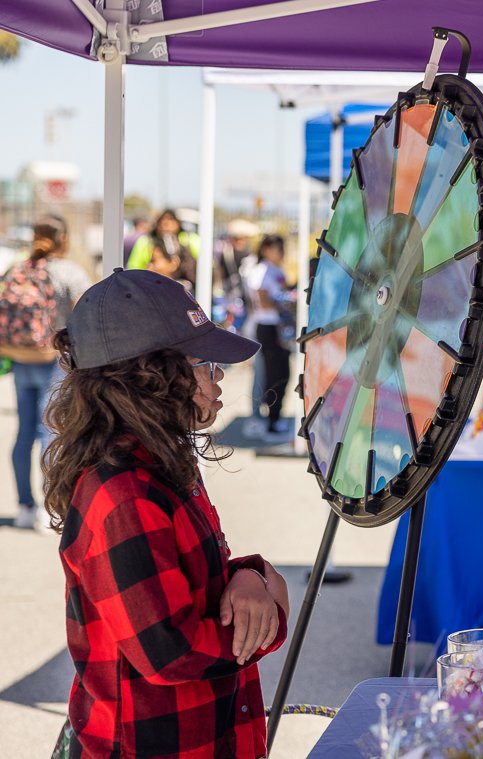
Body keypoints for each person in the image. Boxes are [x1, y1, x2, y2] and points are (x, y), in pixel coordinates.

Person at [44, 269, 289, 758]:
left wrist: (247, 576)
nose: (217, 378)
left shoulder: (163, 463)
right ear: (149, 376)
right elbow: (169, 651)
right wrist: (271, 622)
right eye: (204, 364)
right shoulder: (123, 493)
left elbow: (190, 579)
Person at [0, 215, 90, 530]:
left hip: (21, 357)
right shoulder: (69, 271)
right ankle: (50, 507)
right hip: (55, 358)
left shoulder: (16, 268)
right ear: (63, 239)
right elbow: (85, 316)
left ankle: (25, 507)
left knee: (24, 433)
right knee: (49, 433)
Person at [242, 234, 293, 439]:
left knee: (283, 374)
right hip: (267, 327)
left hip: (280, 327)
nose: (279, 252)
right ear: (264, 250)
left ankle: (275, 416)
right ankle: (270, 420)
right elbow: (263, 302)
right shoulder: (260, 271)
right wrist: (286, 303)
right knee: (272, 376)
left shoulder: (278, 270)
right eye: (274, 247)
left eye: (281, 247)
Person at [127, 209, 200, 271]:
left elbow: (204, 264)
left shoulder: (189, 240)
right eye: (162, 221)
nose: (165, 224)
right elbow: (134, 267)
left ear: (178, 224)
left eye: (170, 220)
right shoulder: (146, 241)